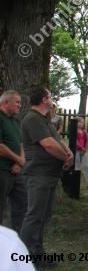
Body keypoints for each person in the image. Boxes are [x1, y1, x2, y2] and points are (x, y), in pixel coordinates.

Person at [19, 87, 73, 265]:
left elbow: (57, 141)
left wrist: (68, 152)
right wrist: (66, 159)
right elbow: (49, 145)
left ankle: (38, 255)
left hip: (49, 174)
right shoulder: (33, 119)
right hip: (38, 173)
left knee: (45, 214)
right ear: (43, 100)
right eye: (50, 96)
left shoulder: (44, 120)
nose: (52, 99)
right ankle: (24, 258)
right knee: (34, 215)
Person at [0, 91, 27, 235]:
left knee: (23, 202)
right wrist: (18, 160)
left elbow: (20, 143)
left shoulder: (14, 121)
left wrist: (19, 162)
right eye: (17, 102)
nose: (20, 105)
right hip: (2, 170)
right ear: (6, 102)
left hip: (16, 170)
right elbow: (0, 147)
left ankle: (18, 239)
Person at [75, 116, 88, 187]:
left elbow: (87, 141)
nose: (82, 124)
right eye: (81, 122)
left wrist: (85, 149)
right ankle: (76, 180)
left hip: (83, 151)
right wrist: (81, 148)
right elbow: (76, 141)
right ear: (76, 122)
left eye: (83, 122)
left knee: (85, 165)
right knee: (76, 166)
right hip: (77, 150)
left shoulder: (84, 132)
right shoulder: (74, 132)